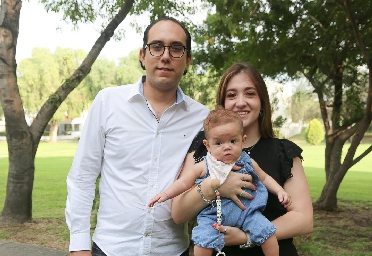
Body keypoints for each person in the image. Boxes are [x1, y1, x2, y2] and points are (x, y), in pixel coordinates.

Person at [65, 17, 209, 256]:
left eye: (176, 48)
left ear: (188, 60)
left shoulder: (201, 118)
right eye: (156, 46)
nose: (165, 56)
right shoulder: (108, 102)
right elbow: (83, 176)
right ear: (143, 55)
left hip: (173, 250)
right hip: (111, 249)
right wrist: (79, 245)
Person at [171, 62, 313, 255]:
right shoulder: (203, 147)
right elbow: (178, 214)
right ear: (222, 104)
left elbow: (304, 219)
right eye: (231, 95)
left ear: (262, 101)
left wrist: (247, 236)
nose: (240, 102)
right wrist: (215, 186)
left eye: (250, 93)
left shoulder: (283, 152)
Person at [149, 108, 291, 256]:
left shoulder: (248, 161)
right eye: (219, 143)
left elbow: (265, 178)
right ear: (207, 145)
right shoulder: (204, 166)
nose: (227, 147)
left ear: (243, 140)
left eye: (233, 141)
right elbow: (184, 183)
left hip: (247, 213)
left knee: (268, 234)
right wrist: (166, 194)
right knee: (202, 241)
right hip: (212, 217)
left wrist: (280, 190)